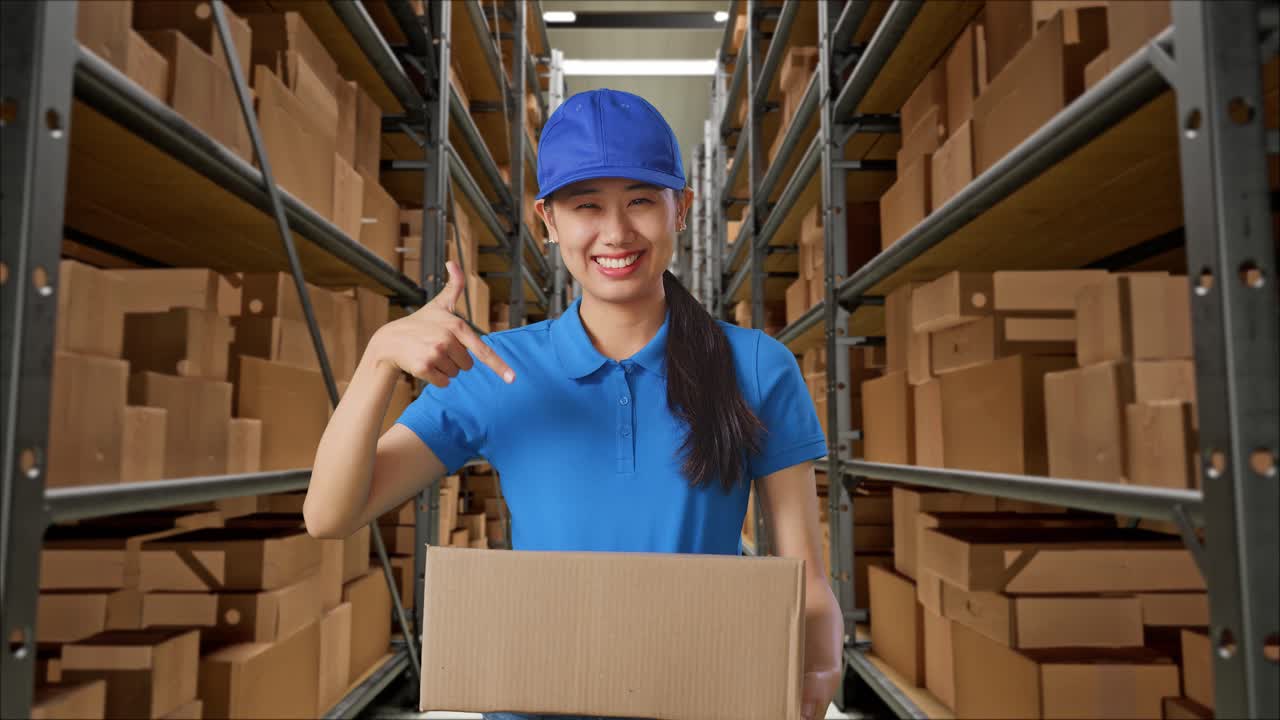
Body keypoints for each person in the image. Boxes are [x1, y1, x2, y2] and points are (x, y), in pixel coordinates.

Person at [304, 88, 842, 720]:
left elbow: (805, 573)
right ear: (549, 221)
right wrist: (377, 360)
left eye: (641, 201)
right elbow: (329, 515)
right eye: (587, 205)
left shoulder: (756, 366)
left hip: (701, 702)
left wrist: (818, 666)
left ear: (681, 209)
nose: (616, 232)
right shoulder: (496, 370)